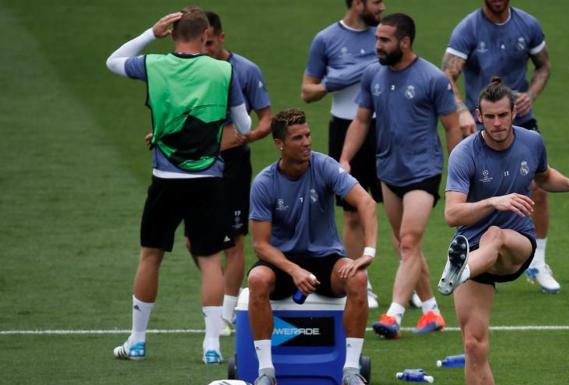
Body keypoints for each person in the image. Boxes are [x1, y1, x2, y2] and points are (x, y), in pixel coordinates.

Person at [105, 7, 251, 364]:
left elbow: (114, 61)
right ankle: (212, 346)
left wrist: (149, 33)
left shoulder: (153, 65)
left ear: (172, 34)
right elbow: (244, 124)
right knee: (211, 262)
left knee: (151, 256)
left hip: (165, 181)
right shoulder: (224, 70)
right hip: (209, 182)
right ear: (206, 36)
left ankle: (137, 341)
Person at [437, 78, 569, 385]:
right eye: (490, 116)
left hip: (517, 244)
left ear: (513, 113)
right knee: (473, 346)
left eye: (503, 115)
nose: (497, 123)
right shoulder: (463, 153)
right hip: (474, 247)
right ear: (478, 115)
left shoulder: (531, 142)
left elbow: (545, 175)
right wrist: (492, 201)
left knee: (495, 234)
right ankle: (463, 269)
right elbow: (451, 214)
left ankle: (460, 270)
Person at [340, 13, 462, 338]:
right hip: (388, 170)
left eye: (384, 40)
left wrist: (458, 174)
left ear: (404, 42)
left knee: (408, 241)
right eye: (377, 39)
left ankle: (393, 315)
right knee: (406, 245)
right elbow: (362, 120)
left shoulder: (432, 79)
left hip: (424, 170)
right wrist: (345, 159)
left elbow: (452, 126)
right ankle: (432, 312)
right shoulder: (372, 75)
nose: (377, 45)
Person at [247, 108, 377, 385]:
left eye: (307, 135)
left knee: (358, 278)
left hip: (325, 259)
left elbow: (365, 202)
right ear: (279, 144)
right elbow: (260, 245)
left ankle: (351, 371)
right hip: (282, 262)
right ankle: (266, 372)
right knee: (257, 279)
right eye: (297, 138)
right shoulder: (264, 183)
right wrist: (293, 270)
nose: (306, 142)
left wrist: (368, 252)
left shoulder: (325, 166)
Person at [441, 0, 558, 293]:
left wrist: (531, 93)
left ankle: (537, 262)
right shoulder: (467, 29)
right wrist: (464, 111)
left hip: (520, 121)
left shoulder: (527, 24)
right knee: (477, 192)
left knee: (538, 191)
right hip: (481, 123)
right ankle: (474, 252)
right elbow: (447, 76)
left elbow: (544, 66)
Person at [301, 0, 385, 309]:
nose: (382, 6)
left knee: (397, 209)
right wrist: (335, 80)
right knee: (352, 213)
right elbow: (307, 92)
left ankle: (413, 283)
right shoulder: (326, 39)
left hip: (385, 127)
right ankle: (362, 280)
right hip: (346, 128)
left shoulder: (385, 36)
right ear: (358, 3)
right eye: (376, 1)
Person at [196, 11, 272, 335]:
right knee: (194, 242)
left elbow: (267, 117)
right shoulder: (191, 69)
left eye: (210, 43)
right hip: (195, 164)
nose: (205, 49)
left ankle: (225, 315)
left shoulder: (245, 70)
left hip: (233, 165)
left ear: (222, 38)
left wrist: (249, 135)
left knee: (233, 243)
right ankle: (216, 295)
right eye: (200, 43)